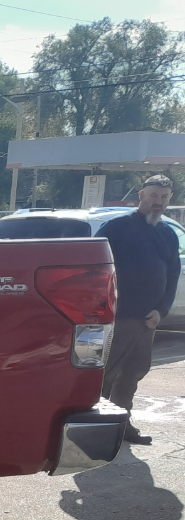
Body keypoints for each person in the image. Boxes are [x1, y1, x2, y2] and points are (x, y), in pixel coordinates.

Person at [97, 174, 180, 445]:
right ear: (141, 196)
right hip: (117, 318)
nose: (158, 202)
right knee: (105, 375)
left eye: (164, 197)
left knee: (132, 374)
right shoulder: (117, 228)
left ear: (169, 199)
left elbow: (173, 274)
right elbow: (94, 265)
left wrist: (161, 311)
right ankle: (96, 428)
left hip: (148, 320)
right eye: (153, 195)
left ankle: (122, 425)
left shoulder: (167, 233)